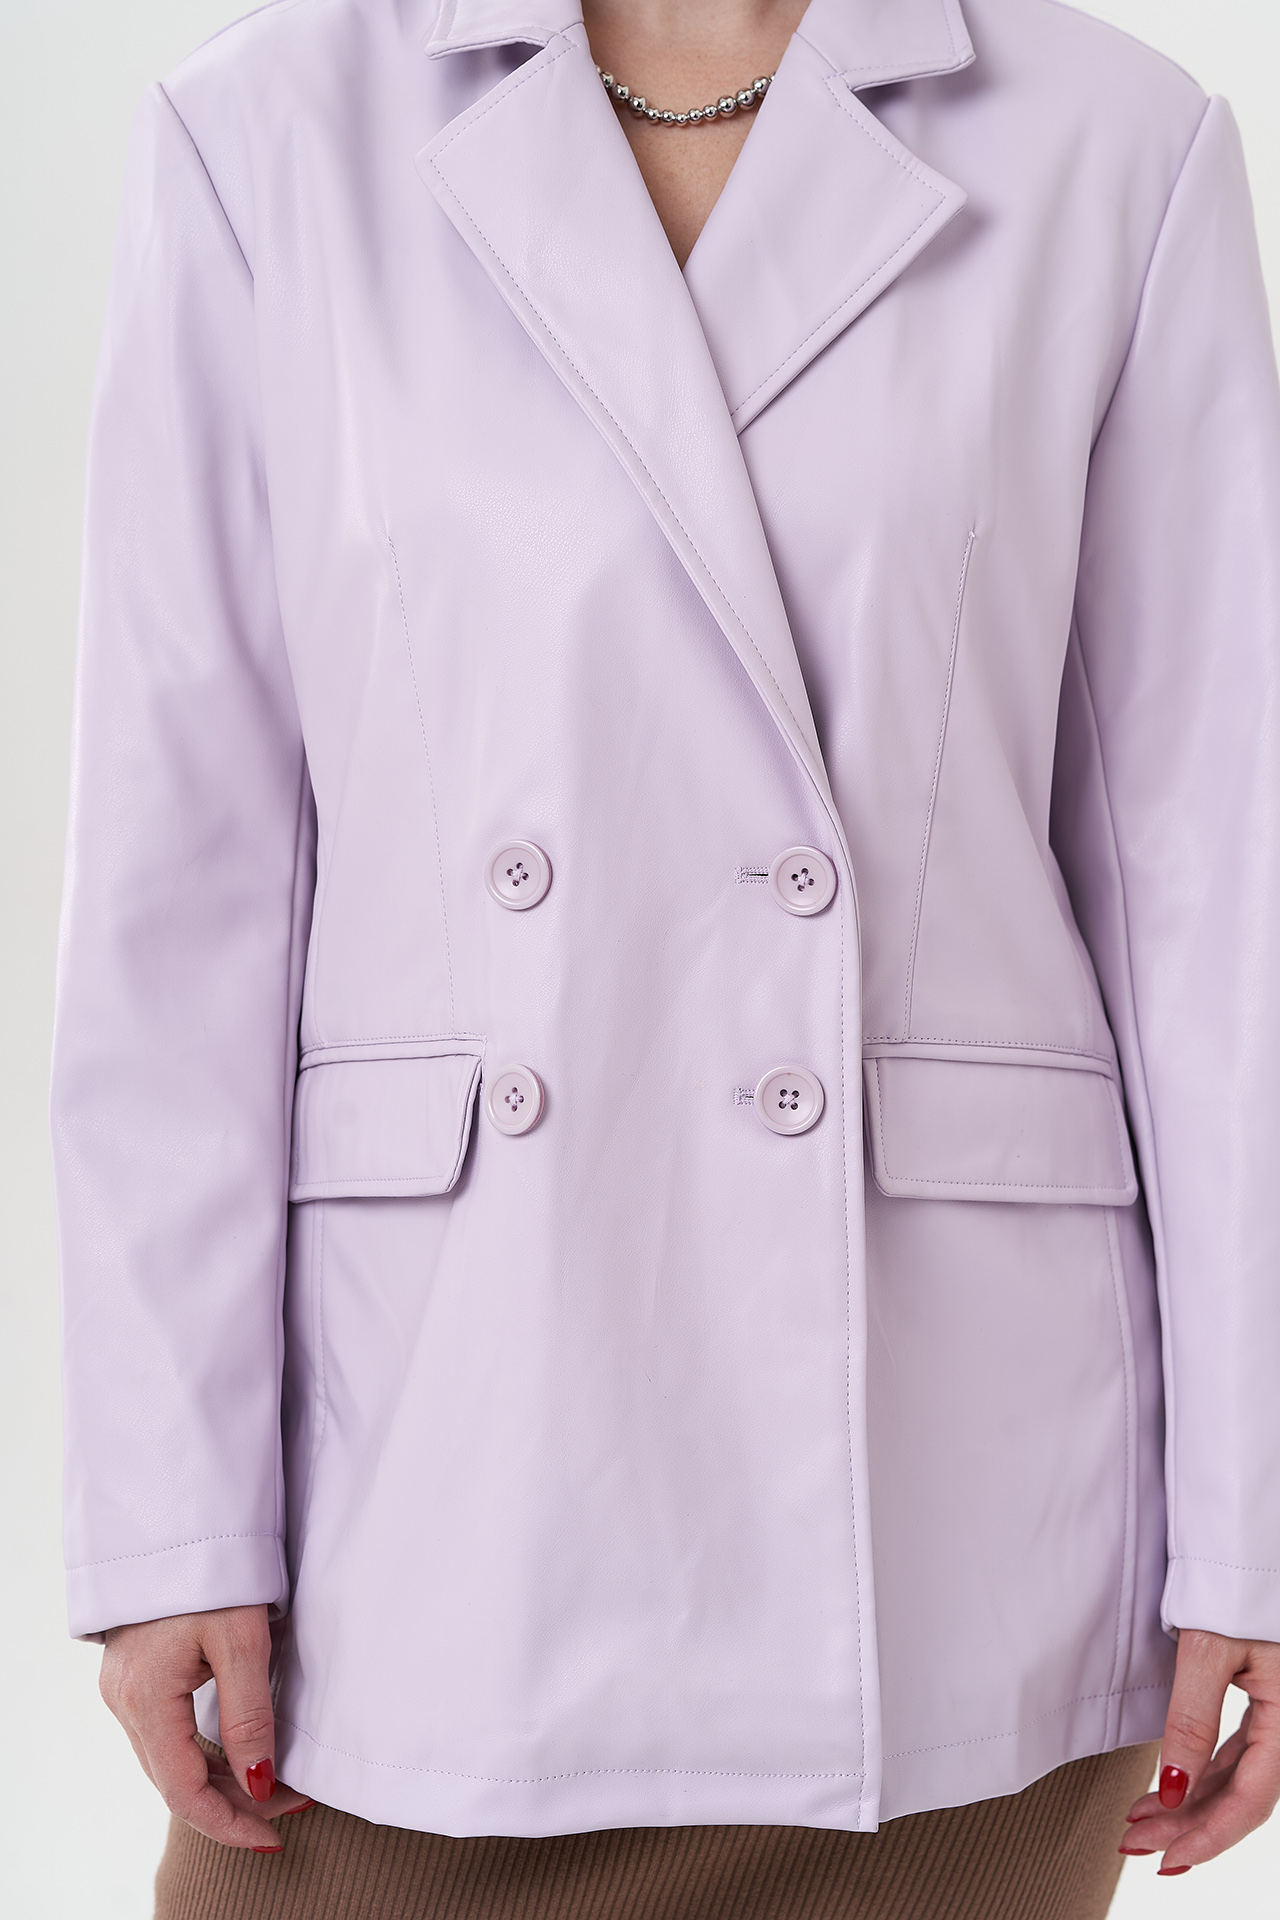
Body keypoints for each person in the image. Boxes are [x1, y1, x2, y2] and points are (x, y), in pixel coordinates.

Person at [51, 0, 1280, 1915]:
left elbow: (1215, 895)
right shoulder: (265, 140)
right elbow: (181, 884)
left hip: (943, 1528)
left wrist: (1255, 1521)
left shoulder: (1117, 148)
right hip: (433, 1484)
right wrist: (169, 1514)